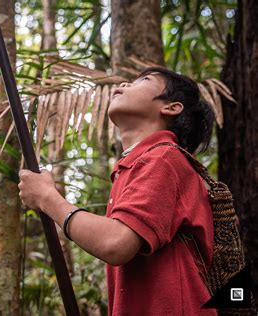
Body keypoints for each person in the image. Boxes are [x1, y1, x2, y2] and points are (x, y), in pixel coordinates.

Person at [18, 67, 217, 315]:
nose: (123, 84)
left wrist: (47, 198)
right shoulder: (137, 164)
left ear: (171, 107)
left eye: (143, 80)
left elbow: (115, 243)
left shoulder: (163, 157)